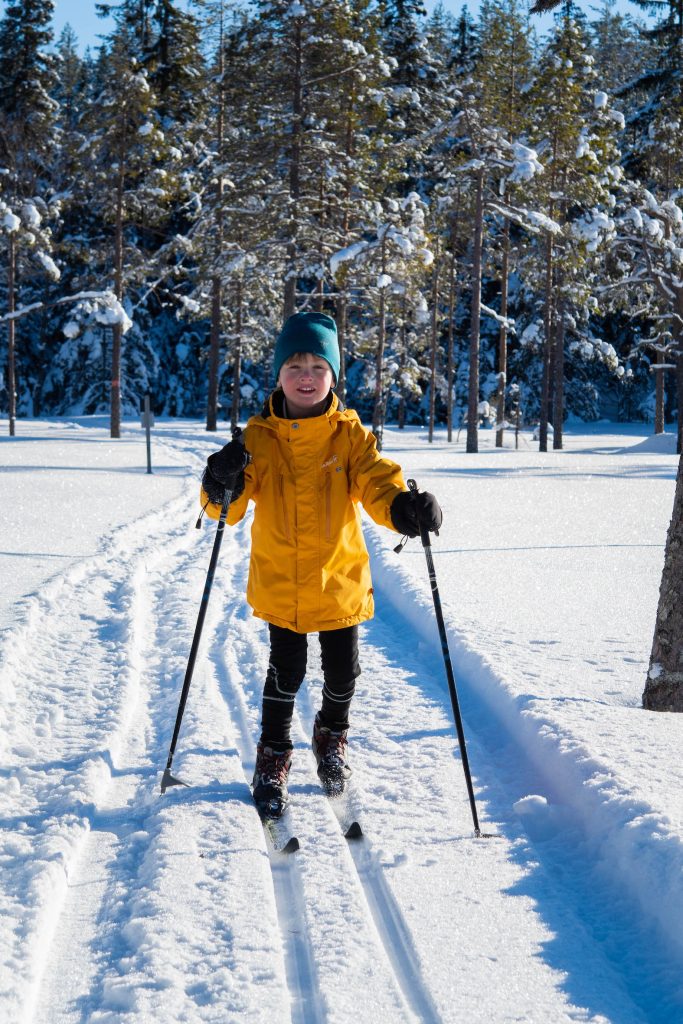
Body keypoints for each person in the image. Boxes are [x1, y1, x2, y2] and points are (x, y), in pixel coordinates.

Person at [200, 311, 442, 818]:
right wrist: (220, 481)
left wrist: (403, 509)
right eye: (294, 365)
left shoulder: (350, 437)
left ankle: (330, 740)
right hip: (281, 581)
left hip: (338, 579)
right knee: (284, 673)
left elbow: (378, 482)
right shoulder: (258, 438)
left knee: (343, 673)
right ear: (278, 375)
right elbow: (228, 507)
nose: (305, 376)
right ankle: (273, 757)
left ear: (333, 376)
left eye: (317, 365)